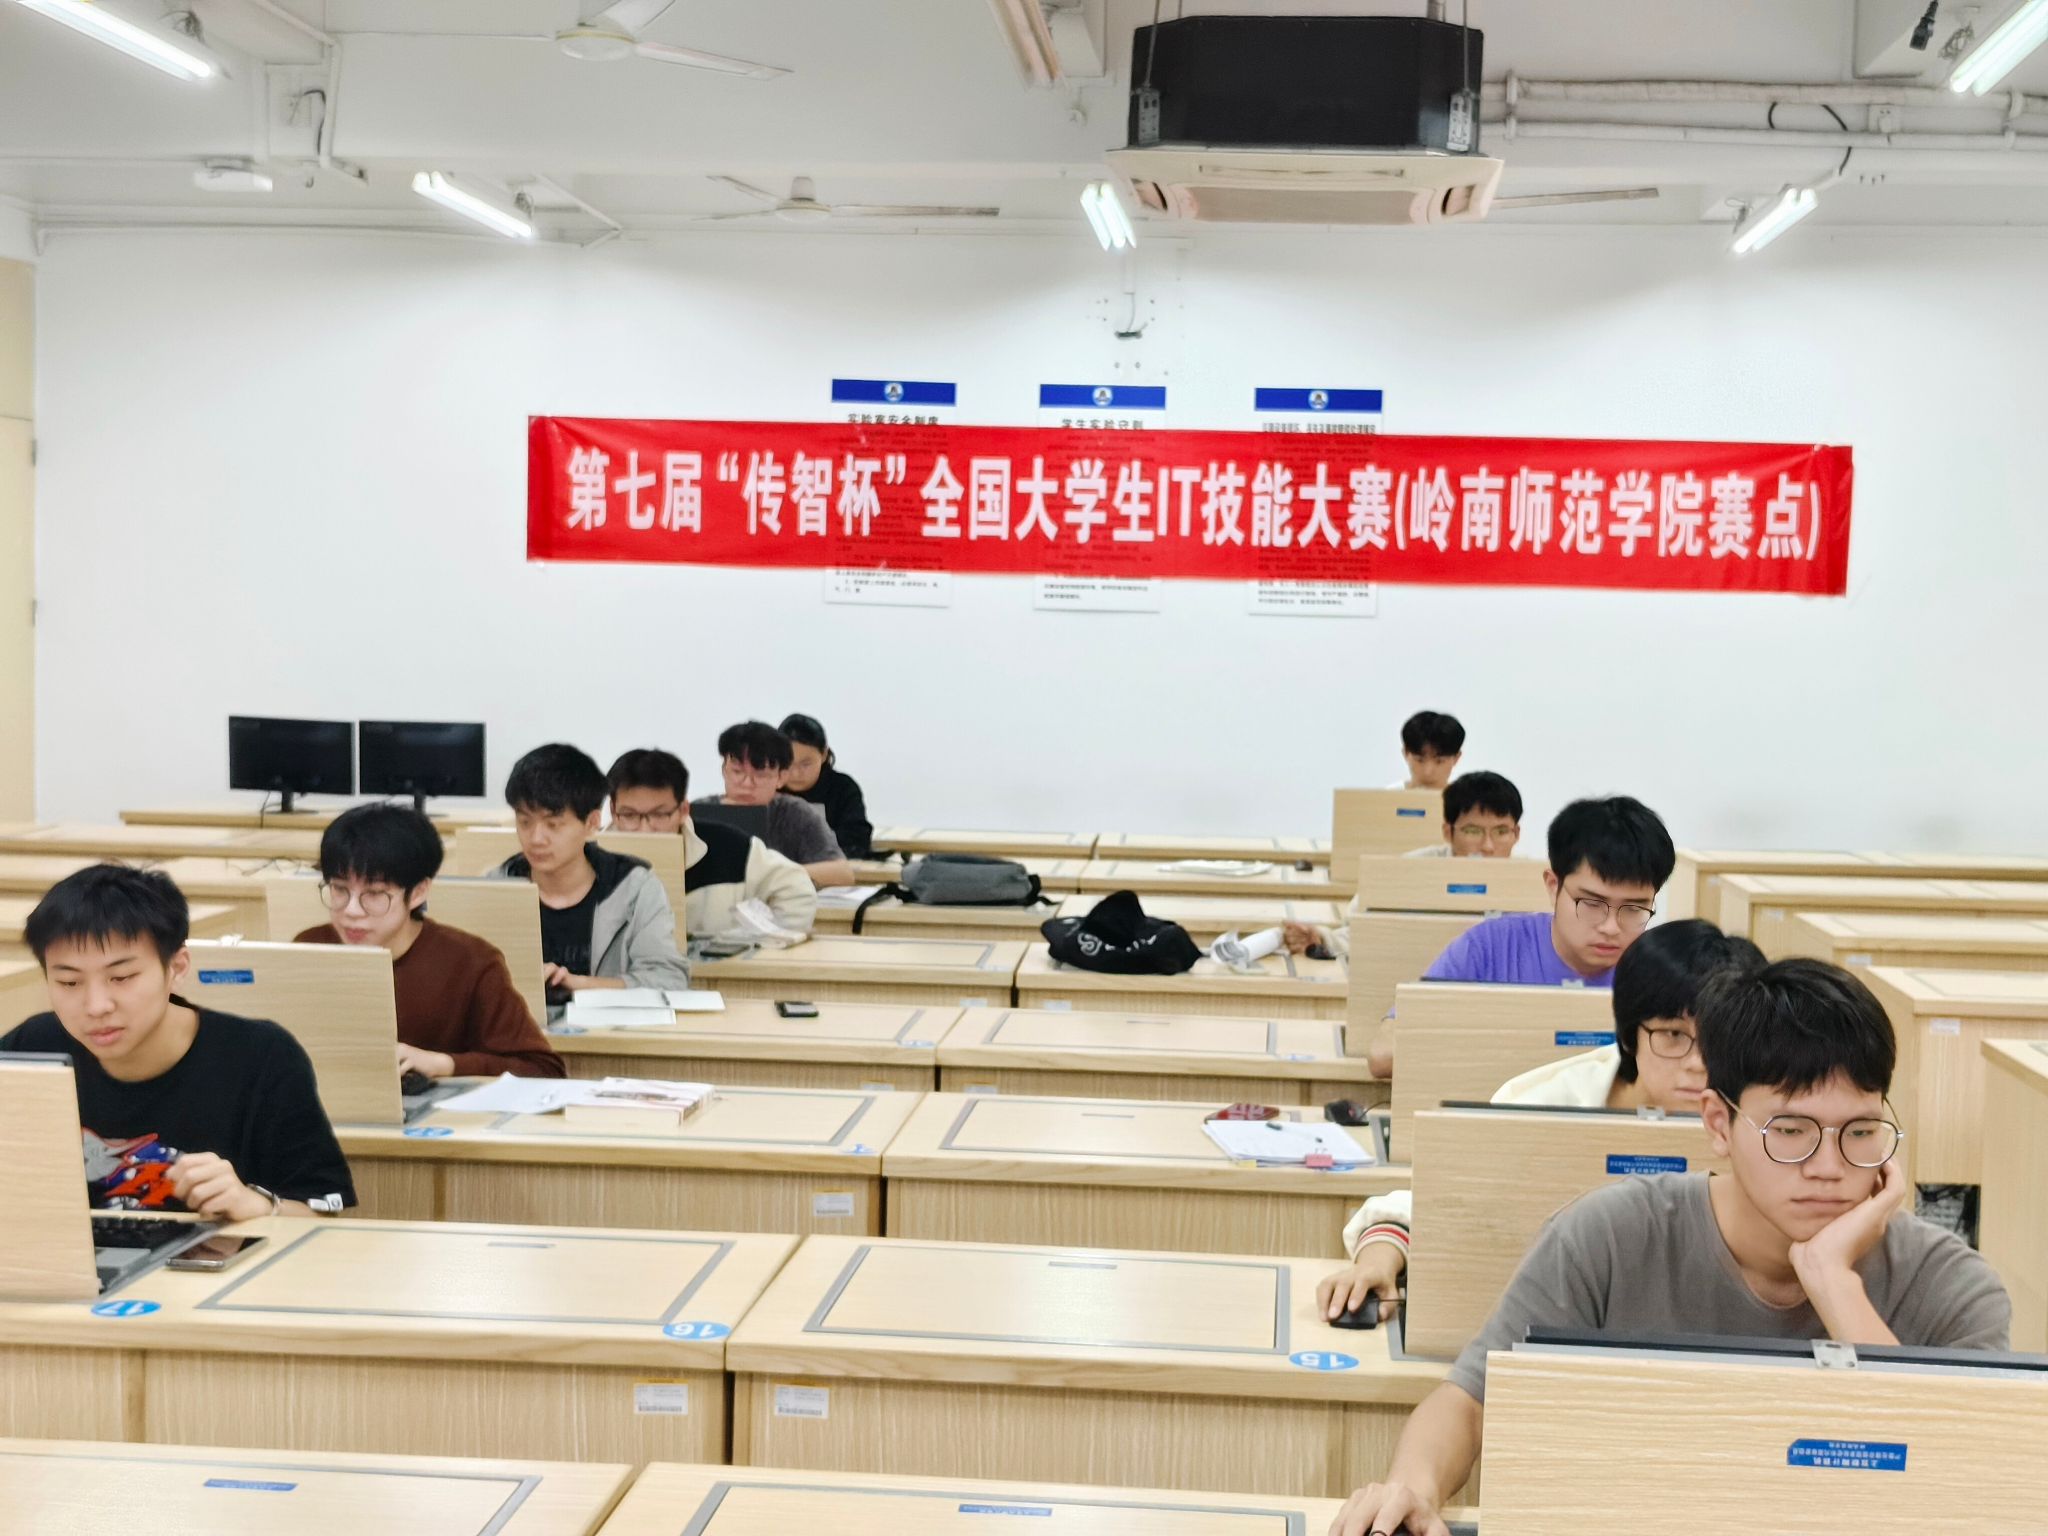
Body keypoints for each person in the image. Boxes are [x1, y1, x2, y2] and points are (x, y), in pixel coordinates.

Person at [1326, 957, 2010, 1536]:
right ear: (1718, 1122)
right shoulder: (1610, 1236)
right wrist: (1413, 1488)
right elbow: (1471, 1401)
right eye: (1791, 1132)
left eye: (1860, 1133)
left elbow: (1972, 1489)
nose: (1829, 1167)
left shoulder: (1953, 1287)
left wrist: (1834, 1282)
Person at [1317, 919, 1765, 1326]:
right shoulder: (1542, 1100)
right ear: (1631, 1033)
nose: (1697, 1063)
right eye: (1673, 1035)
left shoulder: (1773, 1125)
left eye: (1716, 1039)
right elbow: (1431, 1206)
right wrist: (1377, 1261)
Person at [0, 864, 355, 1217]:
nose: (96, 1006)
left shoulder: (261, 1058)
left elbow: (323, 1213)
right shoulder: (31, 1048)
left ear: (177, 968)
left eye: (121, 977)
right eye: (69, 983)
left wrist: (257, 1206)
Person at [1360, 795, 1676, 1078]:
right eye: (1592, 904)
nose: (1610, 927)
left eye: (1634, 909)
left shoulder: (1664, 973)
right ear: (1553, 887)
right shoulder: (1487, 948)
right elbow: (1384, 1054)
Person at [292, 802, 562, 1080]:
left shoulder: (470, 962)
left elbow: (543, 1069)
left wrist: (446, 1064)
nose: (351, 911)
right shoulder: (309, 949)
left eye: (374, 894)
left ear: (418, 892)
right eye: (339, 889)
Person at [493, 743, 690, 1021]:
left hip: (612, 1038)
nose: (536, 838)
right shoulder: (496, 887)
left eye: (553, 824)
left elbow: (669, 980)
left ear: (592, 823)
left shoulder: (633, 886)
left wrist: (579, 985)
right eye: (525, 822)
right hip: (517, 1035)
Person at [1283, 772, 1524, 958]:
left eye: (1501, 831)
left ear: (1516, 834)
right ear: (1448, 832)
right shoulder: (1409, 871)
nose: (1488, 846)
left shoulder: (1531, 884)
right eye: (1473, 831)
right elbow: (1367, 931)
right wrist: (1323, 940)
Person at [606, 747, 818, 940]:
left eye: (659, 815)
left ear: (683, 810)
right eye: (629, 815)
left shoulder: (730, 847)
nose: (645, 829)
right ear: (614, 812)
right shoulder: (594, 857)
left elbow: (797, 890)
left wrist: (759, 946)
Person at [692, 720, 855, 888]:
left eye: (760, 775)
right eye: (737, 772)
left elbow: (842, 873)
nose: (747, 783)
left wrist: (772, 873)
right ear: (724, 770)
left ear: (781, 777)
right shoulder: (699, 814)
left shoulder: (796, 813)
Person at [779, 713, 875, 859]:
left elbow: (856, 837)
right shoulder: (766, 788)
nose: (796, 773)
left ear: (823, 755)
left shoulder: (842, 788)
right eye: (788, 763)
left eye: (806, 764)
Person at [1392, 711, 1464, 791]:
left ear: (1456, 758)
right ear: (1405, 753)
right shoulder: (1388, 795)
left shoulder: (1465, 798)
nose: (1428, 772)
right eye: (1420, 760)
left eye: (1439, 761)